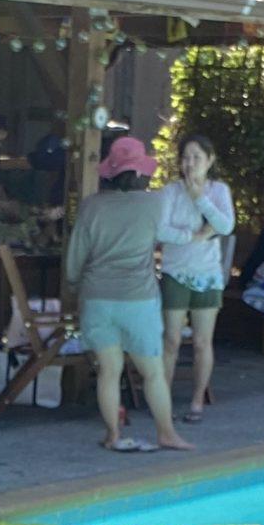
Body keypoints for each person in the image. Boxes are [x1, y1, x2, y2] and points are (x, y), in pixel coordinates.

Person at [63, 134, 189, 452]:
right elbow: (172, 232)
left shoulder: (92, 206)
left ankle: (113, 435)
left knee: (108, 371)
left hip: (97, 299)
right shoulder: (154, 203)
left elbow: (75, 259)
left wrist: (76, 282)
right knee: (152, 372)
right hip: (139, 300)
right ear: (142, 173)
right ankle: (166, 433)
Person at [155, 131, 234, 419]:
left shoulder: (219, 191)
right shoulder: (169, 192)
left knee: (202, 341)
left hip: (207, 274)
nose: (190, 163)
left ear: (209, 160)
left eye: (197, 158)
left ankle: (197, 400)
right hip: (176, 271)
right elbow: (160, 230)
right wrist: (194, 236)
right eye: (186, 157)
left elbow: (225, 226)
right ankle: (161, 397)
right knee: (172, 339)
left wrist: (199, 198)